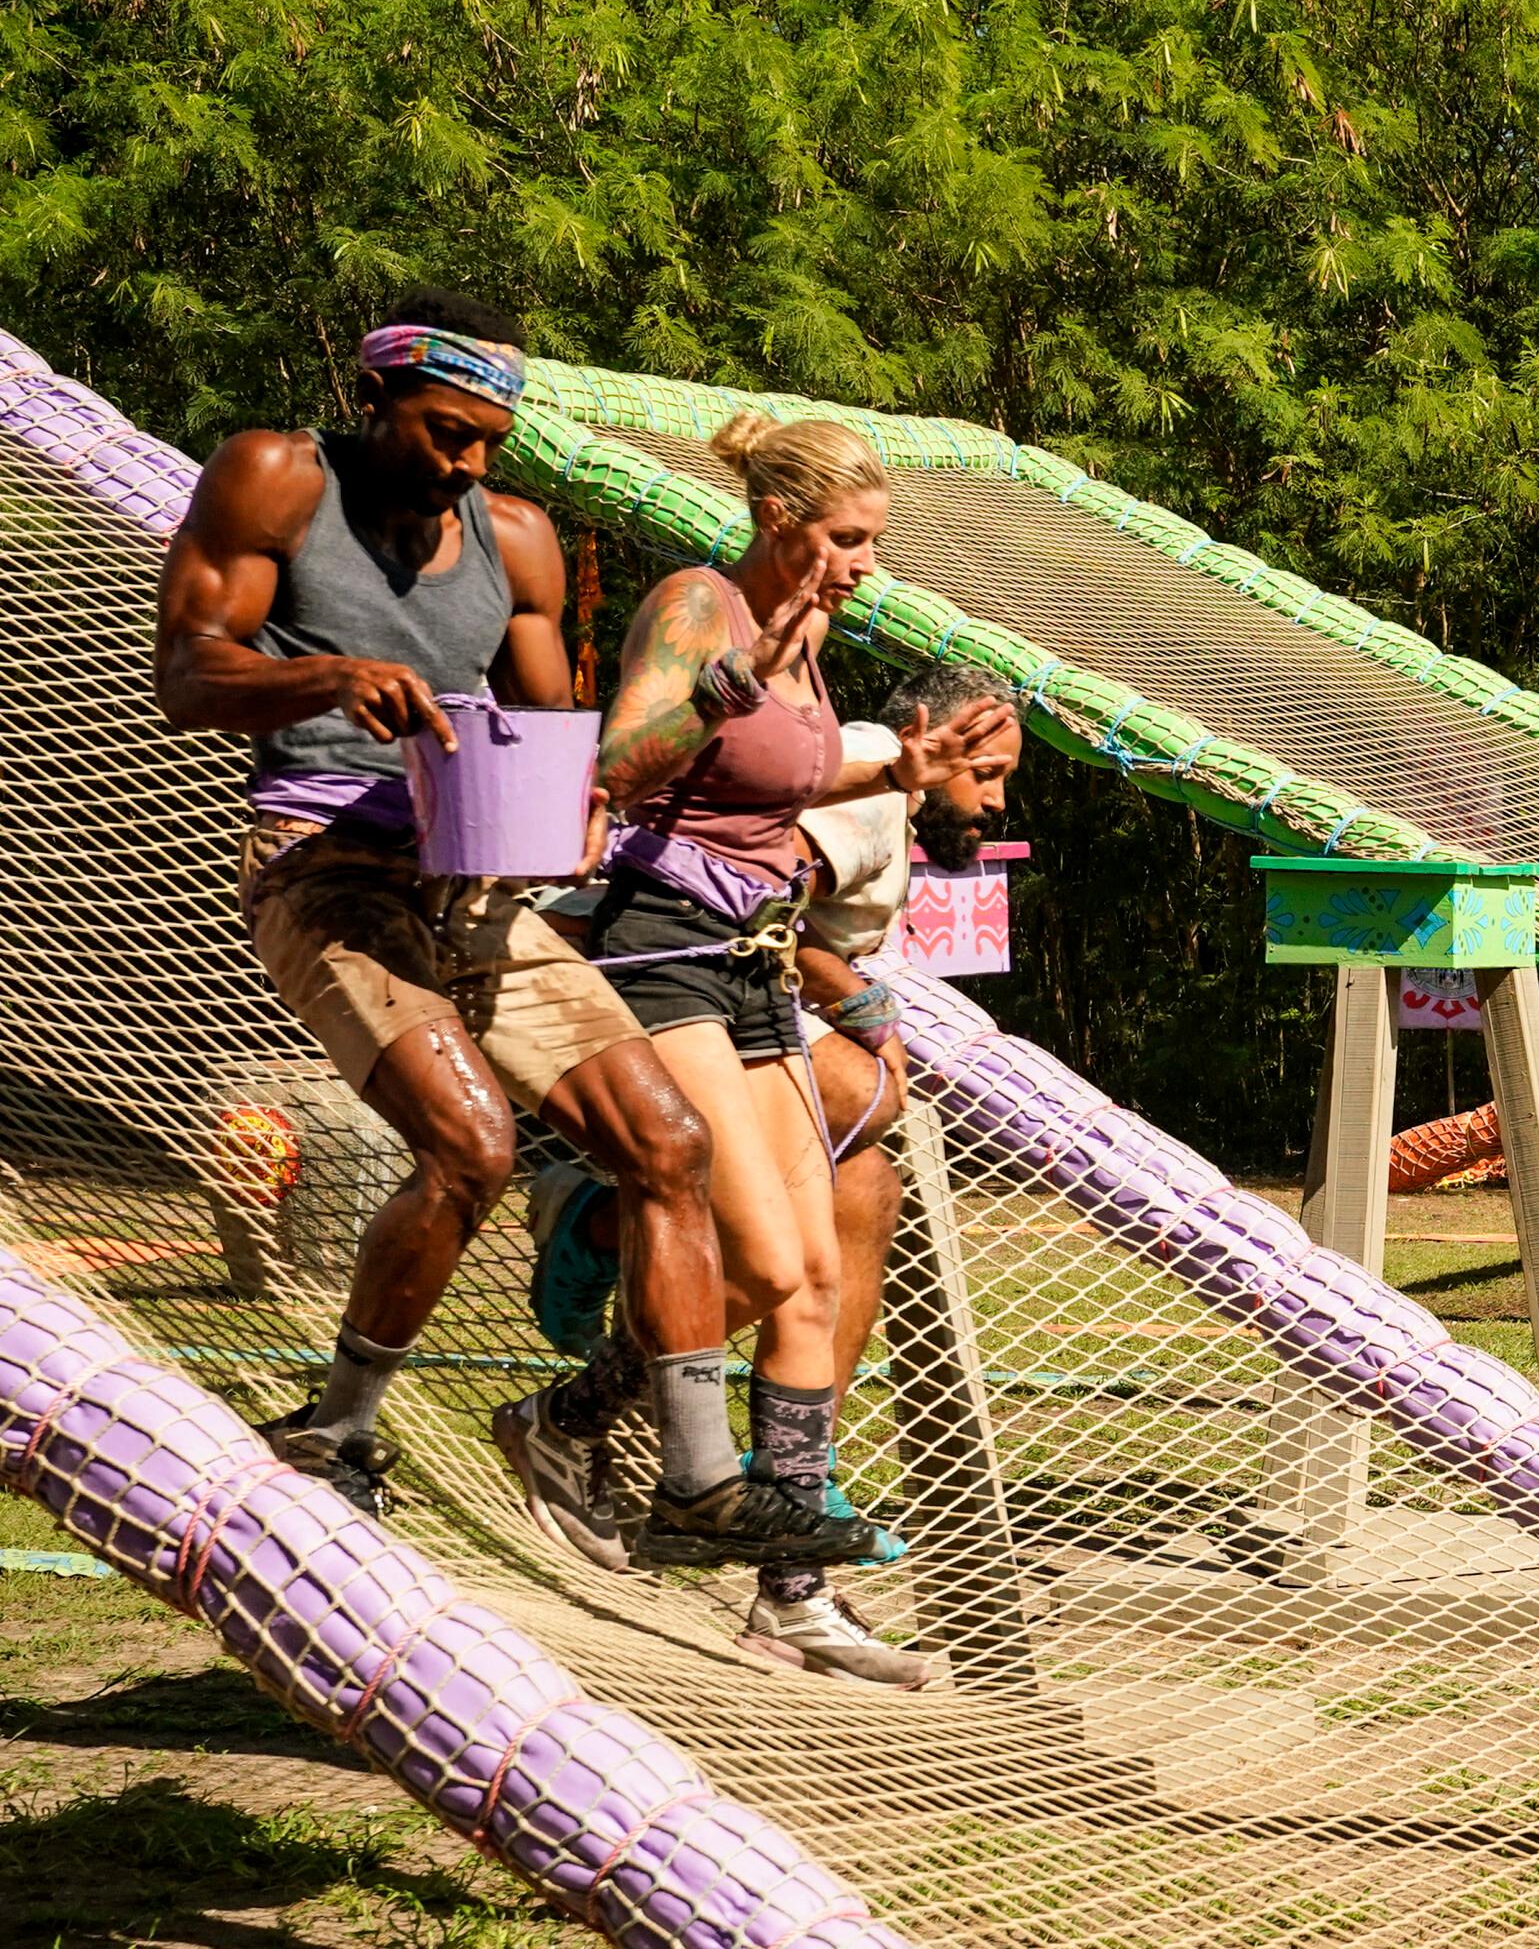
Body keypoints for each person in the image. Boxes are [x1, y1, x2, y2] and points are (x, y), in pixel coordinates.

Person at [151, 289, 823, 1569]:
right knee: (472, 1144)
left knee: (667, 1142)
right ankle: (337, 1429)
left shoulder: (515, 538)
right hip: (324, 869)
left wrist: (595, 797)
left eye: (487, 443)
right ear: (372, 398)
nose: (466, 463)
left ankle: (697, 1479)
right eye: (444, 432)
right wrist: (326, 677)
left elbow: (562, 742)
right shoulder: (275, 477)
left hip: (472, 886)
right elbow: (187, 671)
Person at [524, 413, 1008, 1656]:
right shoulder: (700, 607)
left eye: (873, 541)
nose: (864, 564)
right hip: (660, 942)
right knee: (771, 1254)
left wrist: (901, 766)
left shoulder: (813, 637)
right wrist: (737, 678)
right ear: (781, 518)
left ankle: (790, 1591)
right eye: (846, 539)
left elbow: (779, 781)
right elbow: (622, 761)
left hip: (753, 958)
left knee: (817, 1277)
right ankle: (576, 1390)